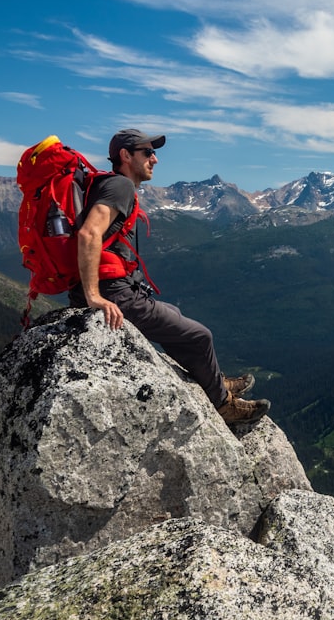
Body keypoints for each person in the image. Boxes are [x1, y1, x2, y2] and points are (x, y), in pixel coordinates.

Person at [69, 128, 270, 426]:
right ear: (125, 156)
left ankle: (214, 379)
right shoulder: (120, 187)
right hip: (116, 294)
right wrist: (93, 296)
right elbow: (89, 234)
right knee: (201, 335)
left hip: (119, 289)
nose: (155, 159)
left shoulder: (113, 185)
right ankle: (223, 405)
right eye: (147, 153)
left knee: (174, 316)